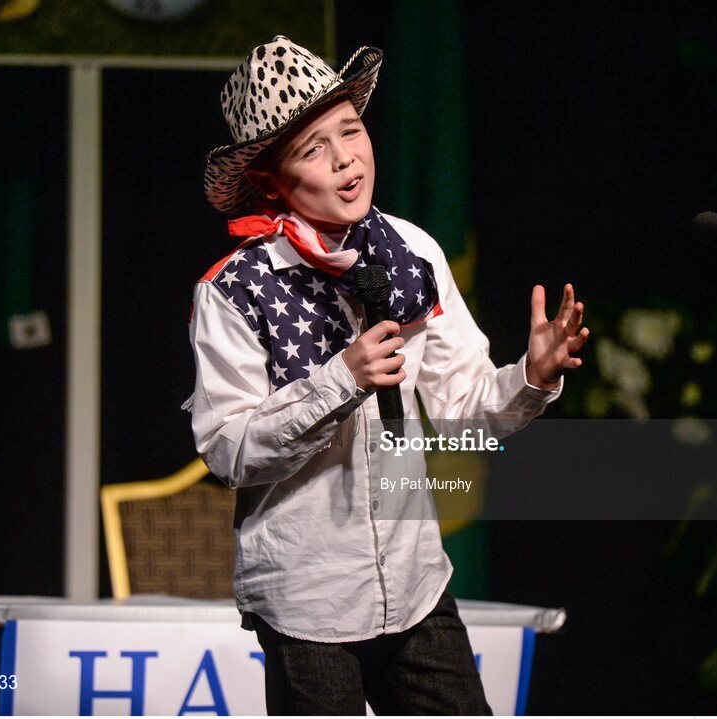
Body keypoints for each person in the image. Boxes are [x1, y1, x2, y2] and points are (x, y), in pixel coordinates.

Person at [187, 35, 589, 715]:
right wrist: (341, 379)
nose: (346, 157)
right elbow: (227, 450)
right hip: (306, 599)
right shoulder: (236, 290)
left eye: (351, 129)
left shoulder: (412, 252)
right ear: (271, 180)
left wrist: (532, 376)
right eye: (313, 148)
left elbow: (466, 408)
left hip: (413, 583)